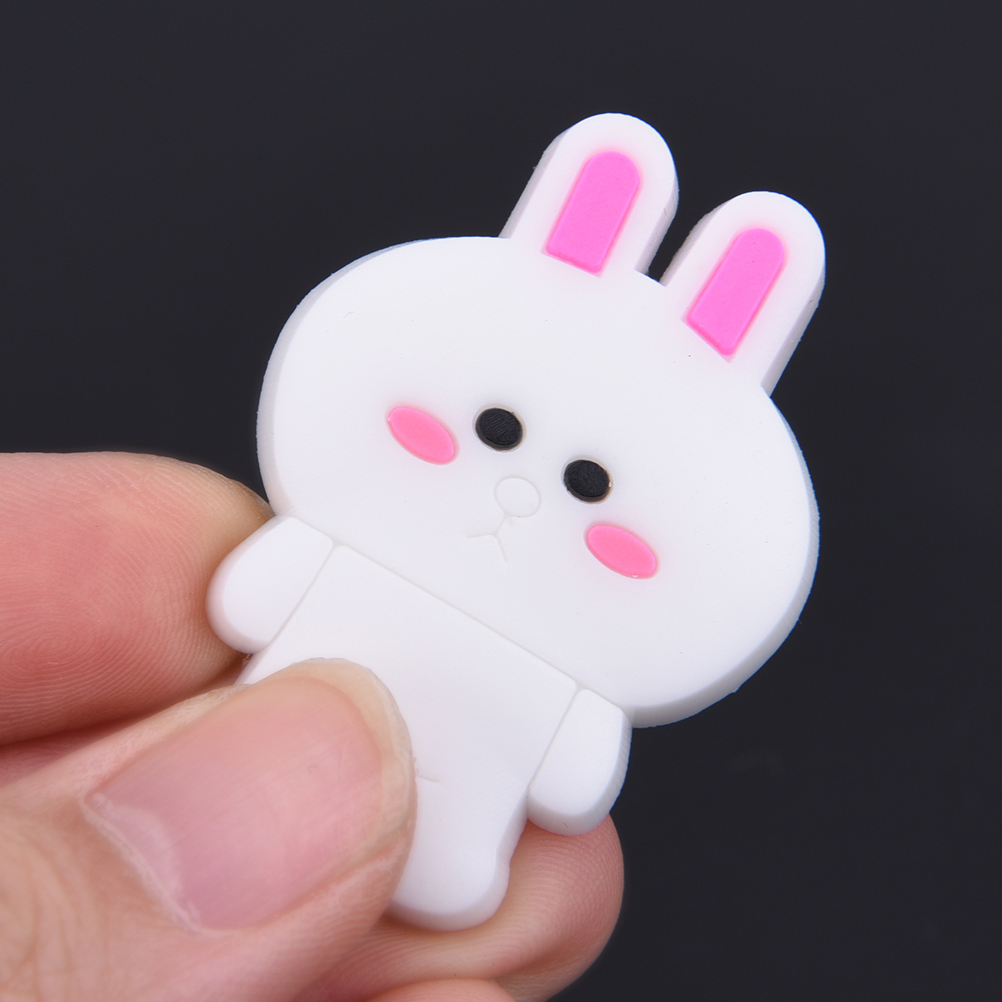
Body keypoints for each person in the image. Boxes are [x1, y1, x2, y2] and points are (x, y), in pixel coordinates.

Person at [0, 452, 622, 1002]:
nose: (520, 493)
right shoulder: (342, 534)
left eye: (584, 484)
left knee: (455, 874)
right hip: (417, 740)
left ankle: (448, 867)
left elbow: (572, 791)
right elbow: (241, 606)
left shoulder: (594, 665)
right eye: (497, 432)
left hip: (458, 782)